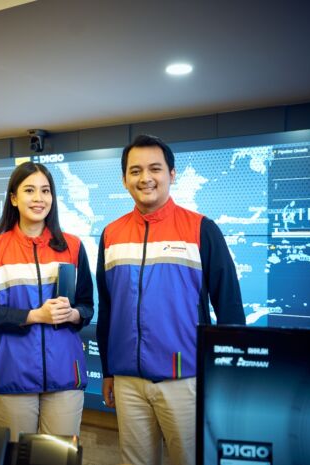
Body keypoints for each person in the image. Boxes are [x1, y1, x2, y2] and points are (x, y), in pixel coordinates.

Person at [96, 134, 245, 465]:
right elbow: (108, 308)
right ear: (124, 179)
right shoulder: (110, 234)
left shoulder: (201, 228)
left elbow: (229, 306)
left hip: (186, 379)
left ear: (172, 174)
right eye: (135, 171)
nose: (145, 178)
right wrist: (108, 370)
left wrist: (228, 375)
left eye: (155, 169)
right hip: (128, 381)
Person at [0, 161, 94, 441]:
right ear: (14, 198)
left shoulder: (73, 246)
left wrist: (73, 314)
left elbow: (87, 306)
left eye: (45, 190)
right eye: (29, 190)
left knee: (58, 457)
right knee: (17, 455)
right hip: (13, 373)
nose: (39, 198)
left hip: (65, 373)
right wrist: (34, 316)